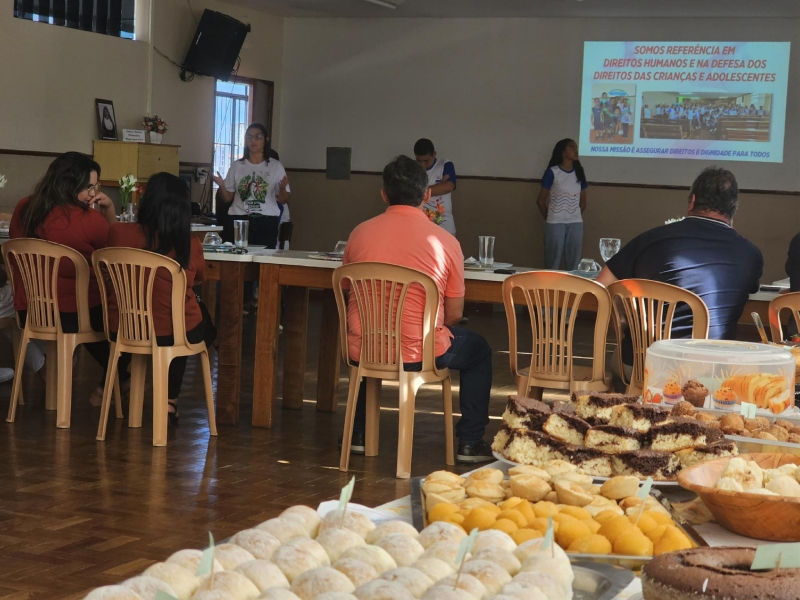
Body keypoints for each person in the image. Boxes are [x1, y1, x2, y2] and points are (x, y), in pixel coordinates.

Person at [341, 155, 493, 463]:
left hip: (365, 347)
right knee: (479, 351)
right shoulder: (445, 241)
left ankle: (358, 434)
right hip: (418, 351)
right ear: (427, 194)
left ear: (384, 195)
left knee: (372, 337)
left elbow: (347, 290)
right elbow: (454, 314)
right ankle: (470, 443)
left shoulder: (358, 233)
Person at [597, 167, 763, 372]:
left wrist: (622, 320)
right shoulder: (751, 254)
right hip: (712, 373)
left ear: (692, 201)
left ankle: (629, 392)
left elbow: (601, 286)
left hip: (646, 367)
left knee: (619, 358)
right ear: (733, 209)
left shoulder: (651, 240)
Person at [9, 151, 129, 406]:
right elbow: (118, 251)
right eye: (88, 187)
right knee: (125, 318)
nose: (92, 194)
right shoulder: (90, 219)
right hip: (73, 314)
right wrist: (109, 211)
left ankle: (117, 378)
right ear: (69, 184)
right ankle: (118, 377)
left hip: (31, 309)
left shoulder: (24, 208)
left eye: (95, 187)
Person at [106, 172, 216, 423]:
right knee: (189, 317)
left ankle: (117, 386)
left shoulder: (118, 233)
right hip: (171, 331)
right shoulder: (190, 243)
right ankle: (169, 401)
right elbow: (199, 279)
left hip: (124, 327)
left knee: (180, 314)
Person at [212, 123, 290, 249]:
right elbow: (227, 198)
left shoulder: (276, 166)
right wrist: (221, 185)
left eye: (257, 136)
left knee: (263, 257)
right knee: (238, 255)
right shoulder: (237, 166)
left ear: (266, 139)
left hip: (266, 221)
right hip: (239, 219)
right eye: (249, 137)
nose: (253, 140)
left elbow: (283, 200)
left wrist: (282, 189)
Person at [536, 139, 588, 271]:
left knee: (574, 263)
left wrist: (574, 215)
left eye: (576, 147)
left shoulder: (579, 172)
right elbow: (540, 200)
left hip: (576, 223)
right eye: (571, 148)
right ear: (563, 153)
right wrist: (551, 218)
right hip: (555, 223)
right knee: (552, 262)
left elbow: (583, 201)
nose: (576, 151)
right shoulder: (553, 172)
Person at [413, 139, 457, 236]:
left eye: (426, 161)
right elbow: (408, 193)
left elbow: (449, 186)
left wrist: (418, 191)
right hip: (420, 222)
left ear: (434, 154)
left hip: (444, 223)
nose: (422, 165)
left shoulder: (445, 165)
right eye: (419, 161)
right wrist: (439, 186)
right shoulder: (412, 169)